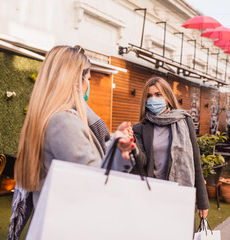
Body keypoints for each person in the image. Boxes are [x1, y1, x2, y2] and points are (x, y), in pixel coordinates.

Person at [8, 45, 135, 239]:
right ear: (77, 80)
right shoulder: (63, 121)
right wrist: (117, 151)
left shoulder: (47, 117)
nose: (88, 86)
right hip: (69, 227)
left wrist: (117, 148)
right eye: (88, 79)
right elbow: (95, 184)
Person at [132, 76, 209, 221]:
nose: (153, 99)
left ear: (167, 96)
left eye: (158, 94)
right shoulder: (140, 128)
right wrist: (133, 145)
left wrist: (203, 202)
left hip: (180, 194)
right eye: (149, 96)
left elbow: (195, 161)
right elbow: (142, 162)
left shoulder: (184, 121)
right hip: (152, 195)